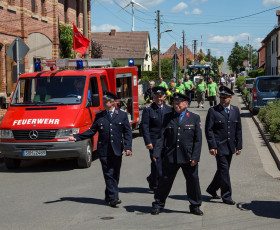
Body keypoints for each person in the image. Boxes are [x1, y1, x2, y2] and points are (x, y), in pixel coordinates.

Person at [69, 91, 132, 207]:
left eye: (106, 101)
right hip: (104, 150)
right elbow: (92, 131)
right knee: (108, 174)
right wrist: (77, 137)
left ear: (113, 103)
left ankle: (109, 195)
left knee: (115, 174)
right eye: (103, 101)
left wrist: (128, 147)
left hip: (117, 150)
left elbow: (127, 132)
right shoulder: (100, 115)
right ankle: (114, 198)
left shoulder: (122, 115)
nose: (104, 103)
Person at [151, 93, 203, 216]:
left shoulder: (194, 118)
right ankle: (158, 203)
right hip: (171, 156)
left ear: (186, 104)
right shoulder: (167, 116)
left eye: (179, 103)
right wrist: (157, 152)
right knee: (165, 181)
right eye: (175, 103)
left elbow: (198, 140)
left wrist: (195, 156)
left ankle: (195, 205)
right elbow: (161, 136)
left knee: (193, 182)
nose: (177, 105)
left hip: (188, 156)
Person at [205, 86, 242, 205]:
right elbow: (209, 130)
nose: (222, 99)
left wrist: (239, 145)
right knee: (224, 170)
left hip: (230, 146)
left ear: (230, 98)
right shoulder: (213, 111)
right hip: (219, 146)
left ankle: (212, 188)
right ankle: (226, 195)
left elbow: (238, 129)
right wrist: (212, 146)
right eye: (220, 97)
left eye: (225, 97)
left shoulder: (235, 110)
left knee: (222, 170)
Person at [141, 86, 172, 192]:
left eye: (161, 96)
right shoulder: (148, 109)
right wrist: (148, 141)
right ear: (153, 97)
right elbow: (144, 127)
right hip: (154, 141)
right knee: (157, 163)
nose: (159, 98)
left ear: (164, 97)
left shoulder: (169, 109)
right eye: (157, 96)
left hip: (166, 141)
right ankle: (158, 185)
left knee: (163, 163)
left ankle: (152, 179)